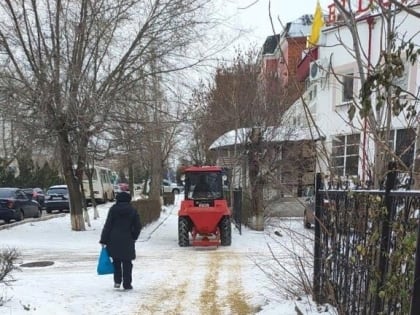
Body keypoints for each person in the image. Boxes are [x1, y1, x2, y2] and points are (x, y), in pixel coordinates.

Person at [99, 191, 142, 290]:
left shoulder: (113, 210)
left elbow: (108, 225)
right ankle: (127, 284)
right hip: (127, 239)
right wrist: (134, 236)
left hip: (113, 239)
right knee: (127, 263)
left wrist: (103, 239)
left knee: (116, 261)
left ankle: (117, 281)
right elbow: (138, 226)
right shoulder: (132, 210)